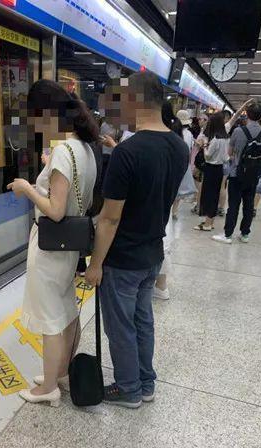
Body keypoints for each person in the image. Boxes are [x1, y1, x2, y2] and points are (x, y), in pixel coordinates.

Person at [85, 71, 188, 408]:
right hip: (152, 253)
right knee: (143, 320)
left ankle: (128, 388)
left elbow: (110, 218)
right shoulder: (178, 146)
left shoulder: (127, 152)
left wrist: (95, 264)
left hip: (122, 259)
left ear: (134, 100)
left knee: (120, 327)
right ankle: (146, 383)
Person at [7, 79, 98, 407]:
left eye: (34, 117)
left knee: (50, 319)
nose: (33, 125)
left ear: (46, 114)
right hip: (68, 247)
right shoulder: (84, 148)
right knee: (66, 311)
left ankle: (48, 389)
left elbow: (56, 211)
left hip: (50, 246)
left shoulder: (62, 151)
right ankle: (59, 373)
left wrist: (27, 188)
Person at [213, 102, 261, 244]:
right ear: (260, 116)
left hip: (236, 174)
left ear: (247, 115)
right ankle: (245, 234)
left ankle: (228, 235)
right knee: (249, 205)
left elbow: (229, 152)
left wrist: (236, 158)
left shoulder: (238, 131)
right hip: (254, 175)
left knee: (233, 205)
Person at [194, 112, 228, 231]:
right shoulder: (225, 138)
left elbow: (208, 156)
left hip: (211, 168)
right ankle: (210, 221)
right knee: (214, 195)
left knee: (208, 195)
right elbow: (226, 156)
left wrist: (204, 146)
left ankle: (207, 224)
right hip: (219, 169)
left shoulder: (215, 140)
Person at [172, 109, 196, 219]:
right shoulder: (189, 134)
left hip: (170, 163)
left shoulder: (170, 132)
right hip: (182, 164)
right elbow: (189, 151)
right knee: (179, 188)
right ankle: (174, 211)